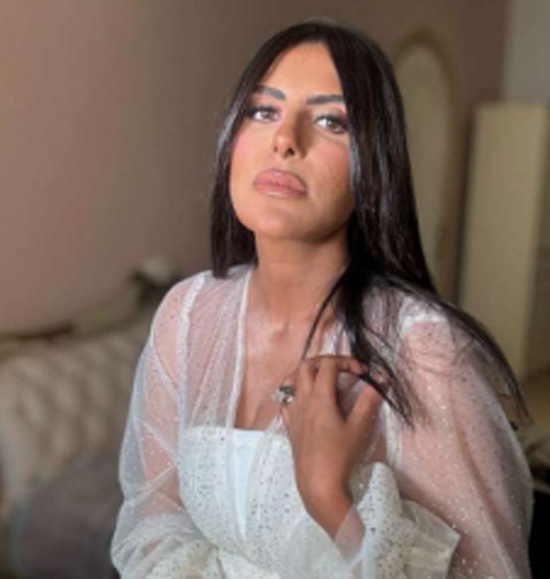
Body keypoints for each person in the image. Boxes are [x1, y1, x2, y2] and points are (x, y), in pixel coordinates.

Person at [110, 19, 533, 578]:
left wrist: (330, 501)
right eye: (264, 111)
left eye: (332, 121)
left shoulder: (425, 351)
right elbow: (153, 521)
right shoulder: (186, 315)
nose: (285, 139)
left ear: (372, 166)